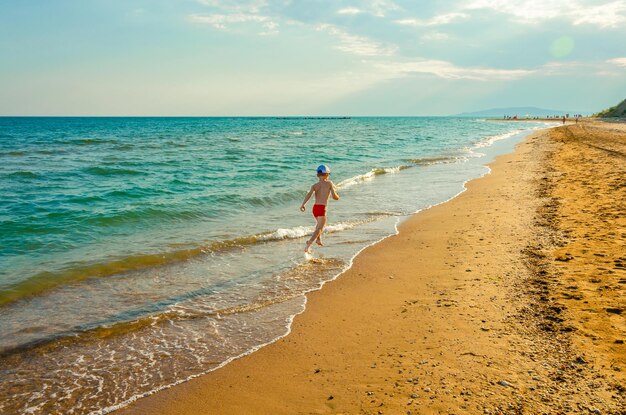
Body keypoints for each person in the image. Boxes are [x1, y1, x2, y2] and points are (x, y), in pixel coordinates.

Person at [300, 164, 340, 253]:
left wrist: (303, 204)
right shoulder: (329, 183)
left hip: (315, 208)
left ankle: (318, 239)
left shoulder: (314, 185)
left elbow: (309, 195)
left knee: (318, 225)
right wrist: (338, 196)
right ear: (327, 174)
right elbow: (334, 197)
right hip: (322, 208)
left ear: (318, 175)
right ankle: (309, 243)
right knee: (320, 228)